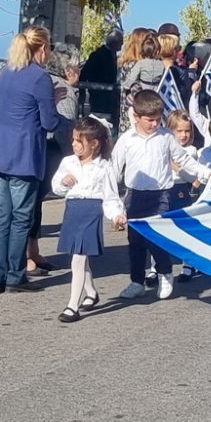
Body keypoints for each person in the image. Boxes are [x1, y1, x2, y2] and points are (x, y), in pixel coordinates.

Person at [0, 26, 59, 293]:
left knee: (0, 217)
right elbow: (49, 121)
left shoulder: (6, 72)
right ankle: (14, 275)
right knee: (21, 217)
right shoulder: (40, 78)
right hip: (23, 155)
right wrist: (54, 102)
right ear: (42, 48)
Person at [112, 90, 211, 300]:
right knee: (136, 241)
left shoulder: (166, 137)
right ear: (136, 117)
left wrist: (205, 173)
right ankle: (136, 281)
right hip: (135, 195)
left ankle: (165, 272)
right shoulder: (127, 139)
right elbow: (114, 168)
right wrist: (111, 201)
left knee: (156, 238)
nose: (154, 124)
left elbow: (185, 160)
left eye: (158, 119)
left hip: (161, 196)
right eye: (150, 120)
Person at [51, 117, 126, 323]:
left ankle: (72, 305)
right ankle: (91, 292)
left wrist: (117, 214)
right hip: (73, 210)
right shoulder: (68, 162)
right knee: (78, 257)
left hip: (91, 212)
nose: (74, 144)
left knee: (78, 258)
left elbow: (110, 197)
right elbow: (56, 186)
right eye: (73, 140)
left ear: (94, 144)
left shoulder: (104, 167)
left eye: (79, 141)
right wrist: (63, 183)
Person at [26, 42, 80, 276]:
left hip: (40, 148)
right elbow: (64, 125)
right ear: (69, 70)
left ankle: (33, 251)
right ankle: (28, 254)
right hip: (51, 150)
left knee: (34, 202)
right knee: (32, 202)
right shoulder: (64, 88)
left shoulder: (44, 80)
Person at [166, 109, 204, 282]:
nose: (183, 135)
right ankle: (155, 266)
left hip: (181, 190)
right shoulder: (164, 147)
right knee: (162, 227)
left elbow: (192, 176)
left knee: (184, 227)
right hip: (164, 190)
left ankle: (188, 264)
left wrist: (177, 168)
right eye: (179, 131)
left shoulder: (191, 151)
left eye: (187, 131)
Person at [80, 28, 123, 122]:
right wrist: (82, 90)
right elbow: (85, 73)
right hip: (99, 95)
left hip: (110, 96)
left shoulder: (114, 56)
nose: (122, 45)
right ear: (115, 43)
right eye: (121, 42)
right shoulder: (98, 55)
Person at [116, 27, 153, 134]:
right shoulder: (135, 66)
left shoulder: (126, 64)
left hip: (127, 116)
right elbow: (137, 92)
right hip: (135, 117)